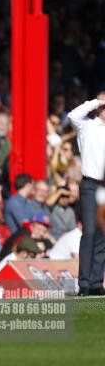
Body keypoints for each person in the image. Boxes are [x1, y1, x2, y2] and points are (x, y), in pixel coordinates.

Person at [66, 94, 105, 296]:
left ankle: (97, 282)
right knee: (89, 232)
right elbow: (72, 115)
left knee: (102, 235)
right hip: (90, 185)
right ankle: (85, 283)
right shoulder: (87, 126)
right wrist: (97, 101)